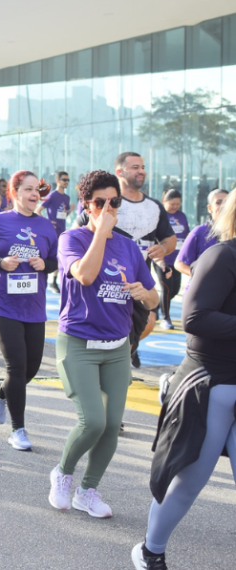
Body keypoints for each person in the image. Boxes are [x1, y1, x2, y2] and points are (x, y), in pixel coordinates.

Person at [131, 190, 236, 570]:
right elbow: (194, 319)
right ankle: (150, 550)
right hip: (210, 385)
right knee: (190, 479)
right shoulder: (223, 256)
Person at [48, 170, 158, 519]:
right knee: (92, 421)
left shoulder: (128, 246)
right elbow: (85, 275)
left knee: (112, 425)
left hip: (116, 347)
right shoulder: (72, 238)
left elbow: (154, 298)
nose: (109, 208)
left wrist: (146, 295)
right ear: (86, 204)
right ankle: (62, 473)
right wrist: (102, 233)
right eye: (101, 203)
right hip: (78, 343)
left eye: (115, 202)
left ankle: (88, 490)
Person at [0, 171, 58, 451]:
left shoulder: (47, 227)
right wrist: (0, 262)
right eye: (28, 189)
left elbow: (56, 260)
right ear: (15, 192)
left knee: (31, 367)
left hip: (34, 306)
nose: (35, 194)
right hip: (2, 304)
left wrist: (44, 265)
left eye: (38, 190)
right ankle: (18, 430)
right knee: (16, 365)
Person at [75, 152, 175, 369]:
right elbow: (78, 234)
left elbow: (170, 238)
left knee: (148, 320)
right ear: (120, 172)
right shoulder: (101, 203)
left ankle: (130, 347)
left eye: (143, 167)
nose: (141, 171)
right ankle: (124, 353)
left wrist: (163, 248)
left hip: (138, 281)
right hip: (103, 281)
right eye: (135, 167)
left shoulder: (154, 207)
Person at [174, 189, 228, 279]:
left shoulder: (233, 233)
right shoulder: (199, 232)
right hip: (203, 290)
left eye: (227, 203)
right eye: (218, 203)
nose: (223, 206)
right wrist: (201, 278)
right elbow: (179, 264)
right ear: (209, 208)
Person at [157, 190, 189, 329]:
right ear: (164, 202)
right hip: (163, 259)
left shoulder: (181, 216)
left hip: (178, 260)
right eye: (172, 204)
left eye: (178, 204)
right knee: (166, 288)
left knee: (175, 290)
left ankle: (156, 306)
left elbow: (186, 235)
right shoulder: (160, 216)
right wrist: (160, 259)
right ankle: (166, 318)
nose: (175, 206)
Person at [35, 171, 72, 293]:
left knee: (58, 257)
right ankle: (49, 282)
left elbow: (63, 215)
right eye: (64, 180)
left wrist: (70, 211)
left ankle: (54, 281)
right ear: (58, 181)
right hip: (52, 232)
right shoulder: (52, 195)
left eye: (68, 180)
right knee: (52, 256)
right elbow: (38, 210)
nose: (66, 182)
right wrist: (47, 222)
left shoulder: (66, 198)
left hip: (62, 231)